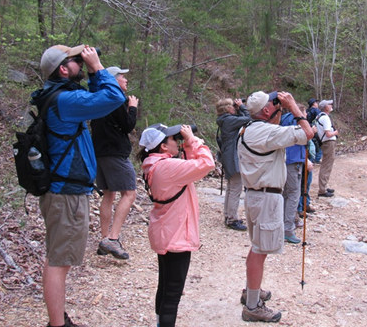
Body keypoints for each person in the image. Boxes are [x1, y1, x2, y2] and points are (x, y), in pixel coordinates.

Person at [32, 44, 125, 327]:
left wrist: (95, 73)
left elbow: (102, 98)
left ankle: (58, 317)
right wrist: (97, 68)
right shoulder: (65, 100)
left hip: (64, 191)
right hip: (66, 194)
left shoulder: (60, 96)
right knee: (59, 262)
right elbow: (112, 98)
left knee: (59, 258)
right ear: (63, 69)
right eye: (76, 61)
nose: (81, 64)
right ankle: (56, 323)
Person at [237, 91, 314, 322]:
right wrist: (294, 108)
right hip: (266, 197)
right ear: (268, 111)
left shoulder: (249, 129)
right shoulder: (265, 131)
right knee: (260, 251)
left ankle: (252, 290)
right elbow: (307, 134)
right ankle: (252, 306)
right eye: (276, 105)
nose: (279, 108)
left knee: (257, 247)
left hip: (255, 195)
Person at [138, 123, 215, 327]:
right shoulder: (168, 167)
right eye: (174, 139)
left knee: (164, 287)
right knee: (172, 293)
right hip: (176, 236)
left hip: (165, 231)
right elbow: (207, 163)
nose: (177, 142)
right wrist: (192, 140)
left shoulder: (154, 164)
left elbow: (190, 170)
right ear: (163, 146)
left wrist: (188, 146)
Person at [91, 66, 139, 260]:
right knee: (129, 193)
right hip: (114, 153)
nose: (125, 80)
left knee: (109, 195)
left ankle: (104, 240)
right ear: (113, 80)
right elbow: (127, 125)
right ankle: (113, 238)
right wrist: (133, 107)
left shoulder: (99, 98)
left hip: (99, 152)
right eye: (122, 77)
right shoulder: (115, 98)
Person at [215, 97, 251, 231]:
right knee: (235, 188)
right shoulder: (230, 120)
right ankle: (232, 218)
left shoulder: (224, 120)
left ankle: (228, 215)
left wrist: (239, 108)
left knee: (231, 187)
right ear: (228, 109)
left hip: (228, 156)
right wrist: (242, 107)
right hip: (233, 157)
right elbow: (248, 119)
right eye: (232, 106)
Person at [280, 104, 311, 244]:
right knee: (293, 194)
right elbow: (305, 136)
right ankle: (288, 229)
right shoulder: (295, 120)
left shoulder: (283, 118)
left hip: (284, 159)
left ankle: (281, 226)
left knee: (285, 194)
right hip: (293, 161)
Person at [315, 99, 339, 198]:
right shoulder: (325, 118)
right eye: (329, 104)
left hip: (325, 143)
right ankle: (322, 189)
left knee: (326, 164)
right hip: (328, 142)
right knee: (327, 165)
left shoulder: (319, 116)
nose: (331, 105)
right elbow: (328, 133)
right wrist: (336, 133)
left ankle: (324, 186)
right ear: (325, 107)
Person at [306, 98, 322, 164]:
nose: (317, 104)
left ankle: (311, 158)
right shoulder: (316, 110)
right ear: (313, 103)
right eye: (316, 102)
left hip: (307, 128)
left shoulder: (307, 111)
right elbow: (320, 118)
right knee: (318, 143)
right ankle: (317, 159)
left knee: (310, 144)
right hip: (314, 129)